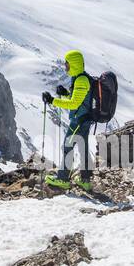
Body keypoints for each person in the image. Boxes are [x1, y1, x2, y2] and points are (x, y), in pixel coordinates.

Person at [41, 49, 94, 190]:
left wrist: (52, 100)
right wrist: (65, 93)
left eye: (67, 64)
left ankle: (63, 179)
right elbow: (77, 99)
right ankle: (86, 181)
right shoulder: (79, 78)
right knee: (83, 148)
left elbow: (74, 104)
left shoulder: (81, 80)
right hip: (84, 119)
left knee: (67, 147)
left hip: (79, 120)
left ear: (74, 64)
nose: (66, 66)